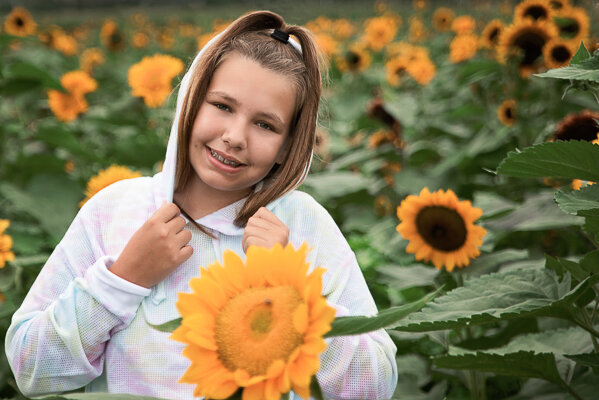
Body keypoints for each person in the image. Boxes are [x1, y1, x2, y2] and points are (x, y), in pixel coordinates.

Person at [5, 10, 398, 400]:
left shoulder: (303, 224)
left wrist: (288, 286)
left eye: (265, 125)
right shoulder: (114, 211)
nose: (234, 136)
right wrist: (123, 279)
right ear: (191, 103)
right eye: (222, 106)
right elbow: (31, 368)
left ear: (287, 146)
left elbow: (374, 385)